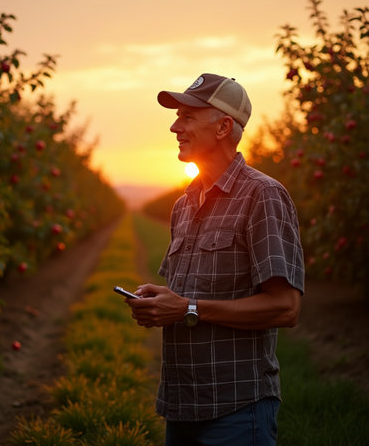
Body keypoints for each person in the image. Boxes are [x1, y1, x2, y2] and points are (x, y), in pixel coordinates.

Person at [125, 73, 304, 446]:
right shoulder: (184, 205)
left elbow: (285, 307)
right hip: (182, 406)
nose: (175, 126)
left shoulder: (262, 196)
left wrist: (187, 307)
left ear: (224, 126)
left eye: (188, 116)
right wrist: (161, 302)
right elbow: (188, 297)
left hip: (236, 411)